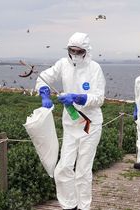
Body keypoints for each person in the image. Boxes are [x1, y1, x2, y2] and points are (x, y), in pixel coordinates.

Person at [35, 32, 105, 210]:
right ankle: (70, 205)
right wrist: (44, 93)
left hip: (90, 124)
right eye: (71, 50)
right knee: (63, 168)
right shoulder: (63, 64)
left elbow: (99, 98)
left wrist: (79, 98)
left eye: (78, 51)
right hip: (71, 124)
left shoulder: (95, 68)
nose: (74, 54)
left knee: (82, 171)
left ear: (86, 51)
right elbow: (44, 77)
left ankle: (84, 207)